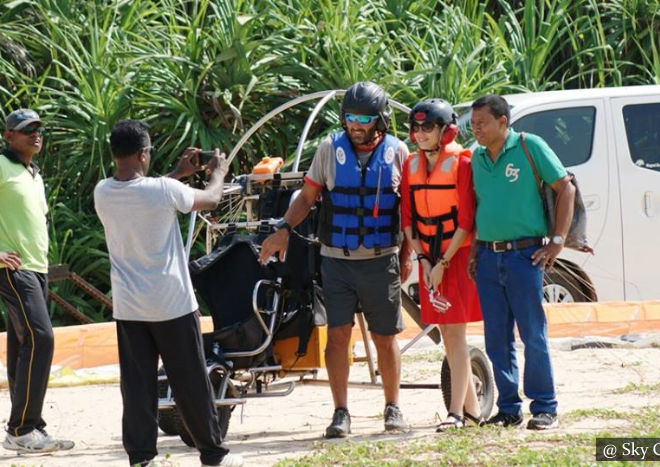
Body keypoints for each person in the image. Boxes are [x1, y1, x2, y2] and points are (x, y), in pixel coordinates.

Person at [259, 81, 412, 438]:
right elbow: (307, 196)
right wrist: (283, 227)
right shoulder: (330, 149)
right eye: (350, 117)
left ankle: (393, 406)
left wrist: (407, 256)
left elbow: (407, 211)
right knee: (338, 336)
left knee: (385, 337)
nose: (355, 125)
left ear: (380, 119)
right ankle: (340, 412)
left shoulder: (398, 151)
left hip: (380, 258)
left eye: (364, 118)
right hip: (336, 261)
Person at [94, 120, 243, 466]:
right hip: (172, 304)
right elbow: (212, 199)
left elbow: (148, 194)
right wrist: (217, 172)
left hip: (130, 309)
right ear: (144, 153)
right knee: (190, 382)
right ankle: (213, 453)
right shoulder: (162, 191)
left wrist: (177, 172)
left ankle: (142, 457)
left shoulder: (103, 191)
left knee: (137, 388)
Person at [469, 94, 575, 430]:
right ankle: (509, 408)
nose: (476, 130)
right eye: (472, 124)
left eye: (482, 123)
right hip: (487, 256)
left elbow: (566, 189)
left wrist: (556, 242)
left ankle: (544, 407)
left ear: (503, 122)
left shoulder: (531, 146)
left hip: (524, 256)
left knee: (533, 334)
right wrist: (475, 252)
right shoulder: (477, 159)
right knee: (496, 339)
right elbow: (479, 208)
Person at [400, 99, 483, 431]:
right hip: (428, 258)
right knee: (447, 335)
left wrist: (443, 263)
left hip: (455, 256)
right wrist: (423, 258)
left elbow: (465, 220)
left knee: (455, 334)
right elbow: (408, 219)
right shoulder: (410, 165)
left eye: (428, 128)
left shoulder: (462, 163)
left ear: (446, 132)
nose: (420, 134)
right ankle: (473, 411)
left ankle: (456, 414)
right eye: (416, 128)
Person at [0, 109, 75, 453]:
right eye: (27, 130)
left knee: (22, 346)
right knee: (41, 338)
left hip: (36, 268)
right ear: (8, 136)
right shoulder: (1, 166)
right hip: (14, 269)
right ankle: (22, 428)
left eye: (38, 129)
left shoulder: (33, 173)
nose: (35, 134)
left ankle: (24, 429)